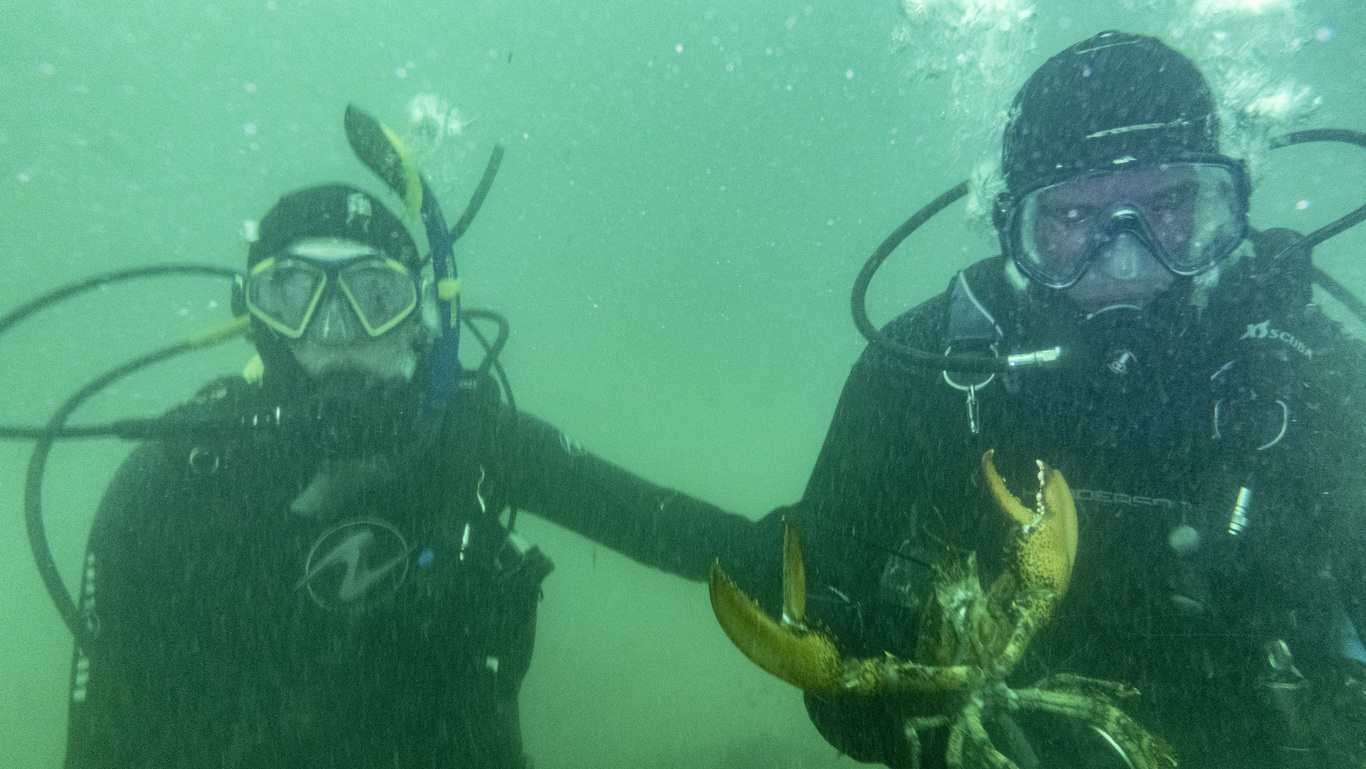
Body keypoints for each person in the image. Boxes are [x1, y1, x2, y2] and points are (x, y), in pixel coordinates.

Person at [731, 30, 1366, 769]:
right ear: (1011, 224)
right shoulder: (926, 370)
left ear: (1227, 202)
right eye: (1071, 217)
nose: (1124, 258)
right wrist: (889, 691)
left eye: (1168, 201)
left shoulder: (1313, 375)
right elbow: (827, 607)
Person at [61, 182, 753, 769]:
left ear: (416, 318)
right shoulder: (174, 479)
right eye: (294, 293)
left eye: (373, 294)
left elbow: (659, 524)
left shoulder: (467, 437)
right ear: (255, 317)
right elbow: (103, 745)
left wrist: (794, 557)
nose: (336, 330)